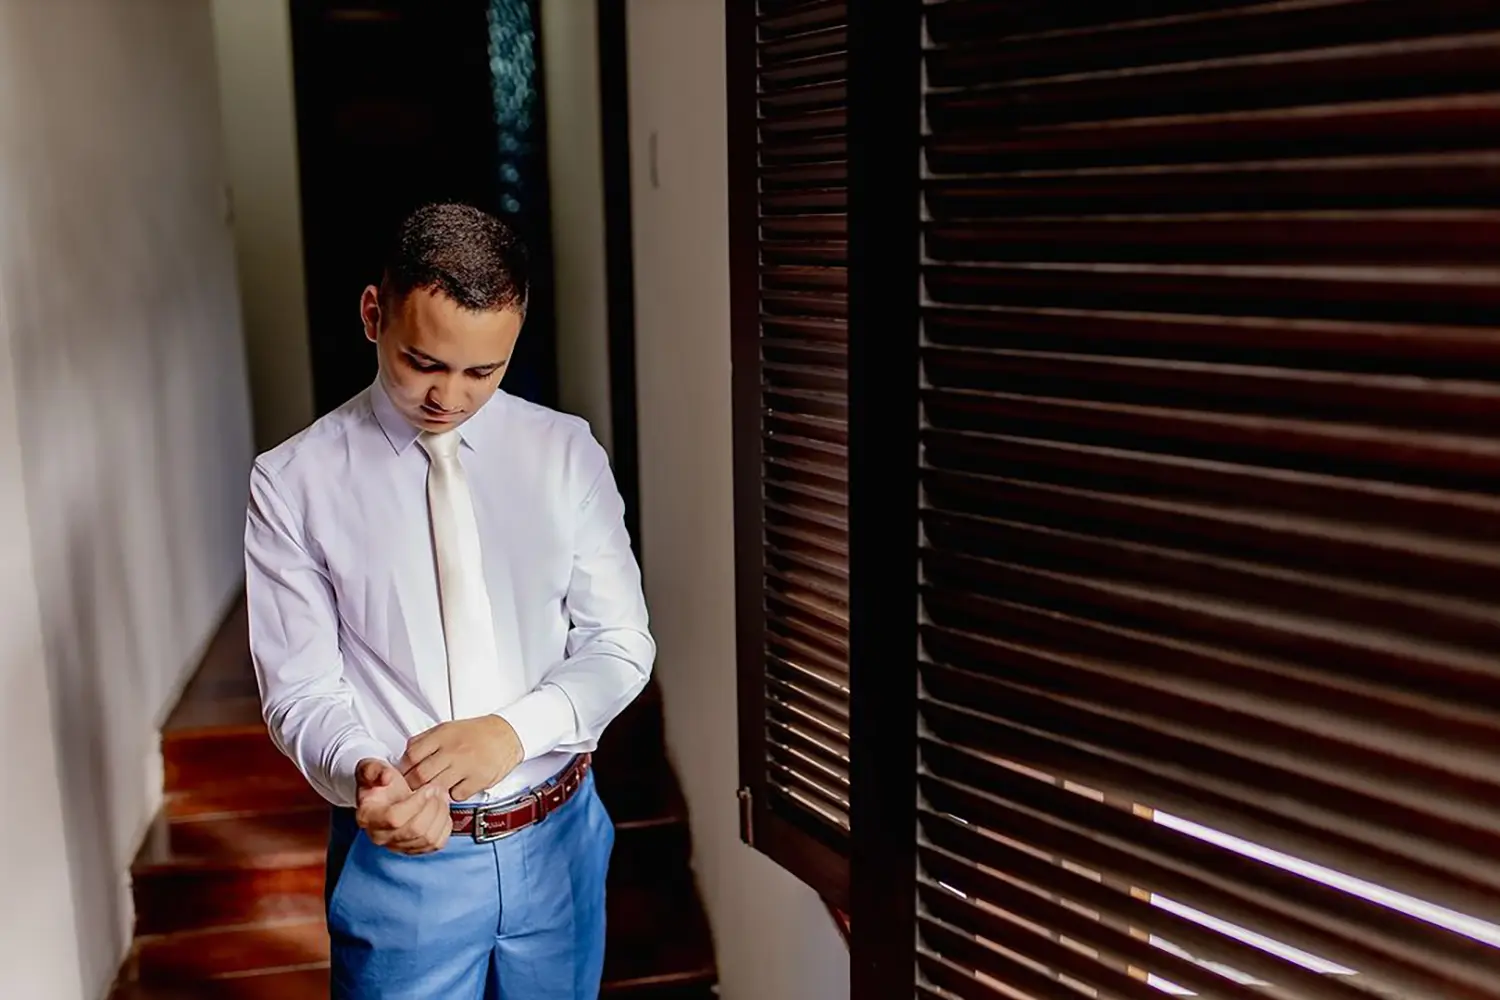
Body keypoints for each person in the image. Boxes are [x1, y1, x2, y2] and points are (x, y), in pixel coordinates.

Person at [244, 202, 654, 999]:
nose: (451, 397)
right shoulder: (293, 482)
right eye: (424, 362)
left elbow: (620, 644)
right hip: (407, 868)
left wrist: (513, 732)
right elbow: (300, 691)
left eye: (482, 372)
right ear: (374, 314)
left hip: (563, 841)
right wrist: (364, 772)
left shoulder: (564, 451)